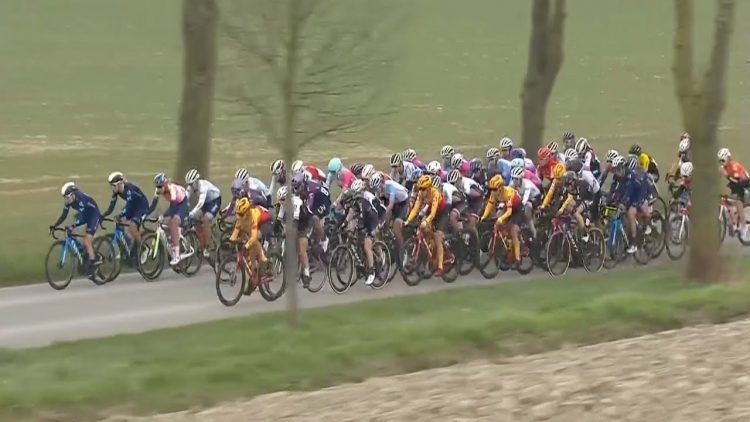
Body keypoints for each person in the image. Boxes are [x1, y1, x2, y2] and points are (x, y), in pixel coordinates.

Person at [50, 182, 103, 276]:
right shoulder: (69, 200)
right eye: (65, 198)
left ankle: (92, 262)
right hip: (85, 214)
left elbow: (81, 218)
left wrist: (73, 226)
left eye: (67, 197)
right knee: (73, 232)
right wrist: (55, 226)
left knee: (86, 241)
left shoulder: (81, 200)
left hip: (93, 215)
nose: (66, 200)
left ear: (73, 195)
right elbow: (64, 215)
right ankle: (84, 254)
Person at [405, 175, 449, 276]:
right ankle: (423, 259)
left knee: (437, 237)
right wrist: (407, 221)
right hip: (430, 211)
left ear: (429, 187)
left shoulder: (435, 193)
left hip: (441, 212)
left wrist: (426, 222)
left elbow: (433, 214)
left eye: (423, 188)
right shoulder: (421, 194)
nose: (421, 191)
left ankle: (440, 267)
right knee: (423, 231)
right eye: (420, 188)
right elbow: (415, 208)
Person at [102, 172, 150, 261]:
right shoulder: (116, 192)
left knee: (132, 227)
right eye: (110, 185)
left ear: (119, 184)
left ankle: (144, 248)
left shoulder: (129, 190)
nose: (112, 188)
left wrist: (121, 215)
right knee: (119, 223)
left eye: (113, 185)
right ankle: (126, 246)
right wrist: (102, 215)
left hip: (141, 208)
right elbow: (111, 207)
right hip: (132, 206)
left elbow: (128, 208)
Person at [229, 197, 273, 291]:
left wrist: (246, 246)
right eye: (238, 213)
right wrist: (231, 240)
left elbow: (253, 237)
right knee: (245, 239)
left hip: (265, 222)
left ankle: (265, 262)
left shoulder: (253, 216)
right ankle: (254, 277)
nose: (239, 216)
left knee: (254, 241)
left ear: (247, 212)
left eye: (241, 214)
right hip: (255, 224)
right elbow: (236, 231)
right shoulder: (241, 216)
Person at [149, 172, 191, 265]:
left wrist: (166, 217)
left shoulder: (171, 189)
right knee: (164, 221)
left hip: (182, 204)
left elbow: (173, 206)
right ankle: (173, 238)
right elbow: (153, 206)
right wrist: (145, 215)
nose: (159, 188)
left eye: (160, 186)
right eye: (157, 186)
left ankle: (177, 255)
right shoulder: (158, 190)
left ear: (165, 184)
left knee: (173, 221)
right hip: (174, 205)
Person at [480, 175, 523, 263]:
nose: (493, 191)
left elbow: (509, 212)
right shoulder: (494, 193)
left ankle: (518, 257)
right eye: (491, 189)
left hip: (517, 208)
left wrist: (501, 219)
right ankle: (505, 239)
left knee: (513, 230)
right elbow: (490, 204)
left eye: (494, 189)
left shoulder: (508, 193)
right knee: (498, 216)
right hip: (507, 206)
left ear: (500, 188)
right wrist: (484, 216)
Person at [276, 185, 314, 285]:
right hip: (296, 222)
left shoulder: (296, 202)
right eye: (279, 200)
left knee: (301, 250)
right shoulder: (283, 204)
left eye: (283, 199)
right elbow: (279, 221)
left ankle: (307, 274)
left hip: (306, 223)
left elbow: (295, 221)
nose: (281, 202)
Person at [346, 180, 382, 285]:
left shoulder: (364, 203)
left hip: (372, 223)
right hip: (365, 221)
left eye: (356, 194)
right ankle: (363, 262)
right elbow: (351, 214)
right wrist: (344, 224)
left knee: (367, 246)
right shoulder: (356, 201)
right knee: (358, 240)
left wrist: (353, 228)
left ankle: (371, 271)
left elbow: (361, 220)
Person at [372, 173, 410, 264]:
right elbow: (377, 206)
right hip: (392, 201)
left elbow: (391, 205)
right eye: (375, 189)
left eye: (378, 188)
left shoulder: (390, 186)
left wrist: (382, 217)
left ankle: (402, 250)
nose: (377, 190)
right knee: (382, 216)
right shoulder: (378, 190)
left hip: (403, 203)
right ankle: (388, 233)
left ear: (382, 184)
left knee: (396, 225)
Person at [185, 169, 222, 258]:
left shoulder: (203, 186)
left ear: (197, 181)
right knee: (195, 219)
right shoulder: (190, 187)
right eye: (189, 184)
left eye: (192, 184)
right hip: (206, 202)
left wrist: (192, 213)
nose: (190, 186)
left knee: (205, 219)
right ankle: (202, 241)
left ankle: (207, 247)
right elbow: (185, 200)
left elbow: (200, 203)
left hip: (214, 201)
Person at [292, 172, 332, 252]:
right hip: (315, 197)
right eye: (295, 187)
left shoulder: (311, 190)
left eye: (298, 187)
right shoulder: (300, 186)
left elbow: (309, 210)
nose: (296, 189)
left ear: (302, 184)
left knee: (314, 217)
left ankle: (324, 240)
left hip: (323, 200)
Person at [718, 147, 750, 238]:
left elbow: (736, 181)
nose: (721, 163)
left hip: (745, 184)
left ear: (728, 158)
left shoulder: (734, 166)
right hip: (736, 184)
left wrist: (726, 175)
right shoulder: (725, 166)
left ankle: (743, 225)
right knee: (723, 196)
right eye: (720, 161)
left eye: (723, 160)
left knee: (738, 201)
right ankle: (733, 221)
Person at [510, 166, 540, 238]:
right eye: (513, 178)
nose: (514, 181)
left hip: (535, 196)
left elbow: (525, 199)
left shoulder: (527, 184)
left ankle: (534, 232)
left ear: (521, 179)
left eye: (516, 179)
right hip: (524, 197)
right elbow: (508, 193)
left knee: (527, 208)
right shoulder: (512, 184)